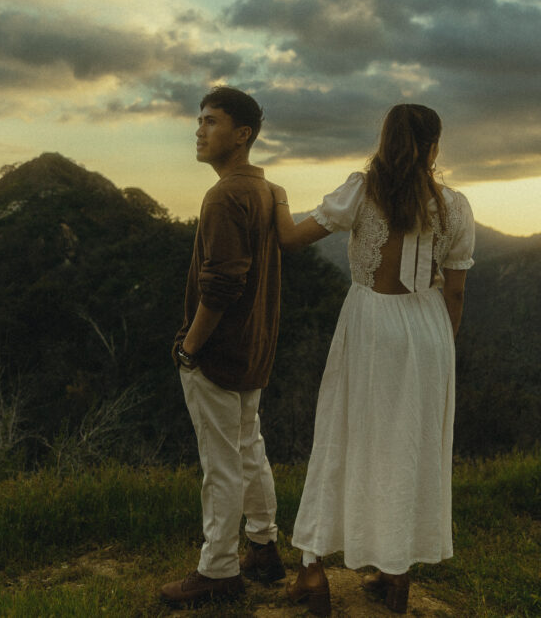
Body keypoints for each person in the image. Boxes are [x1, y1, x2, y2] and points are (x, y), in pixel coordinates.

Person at [271, 104, 475, 615]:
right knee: (409, 446)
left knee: (342, 433)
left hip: (372, 325)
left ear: (387, 142)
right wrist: (441, 350)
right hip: (429, 331)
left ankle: (312, 570)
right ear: (433, 147)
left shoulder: (361, 192)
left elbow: (290, 239)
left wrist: (276, 196)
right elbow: (455, 292)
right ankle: (395, 574)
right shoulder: (455, 206)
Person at [160, 86, 286, 607]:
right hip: (253, 348)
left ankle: (218, 571)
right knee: (249, 449)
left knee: (221, 464)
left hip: (218, 352)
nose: (199, 130)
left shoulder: (225, 195)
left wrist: (190, 347)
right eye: (199, 120)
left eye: (211, 121)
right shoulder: (263, 190)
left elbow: (221, 284)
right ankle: (264, 546)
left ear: (242, 135)